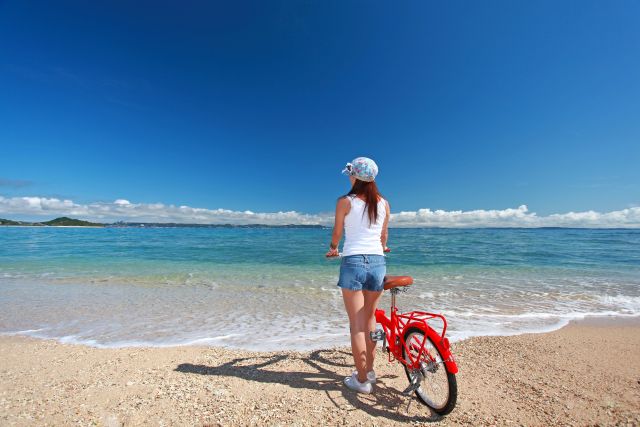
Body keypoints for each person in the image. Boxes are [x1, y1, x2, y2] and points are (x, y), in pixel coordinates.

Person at [326, 156, 390, 394]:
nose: (349, 177)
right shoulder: (384, 203)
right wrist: (382, 247)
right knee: (370, 320)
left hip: (353, 260)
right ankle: (370, 370)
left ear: (355, 176)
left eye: (350, 173)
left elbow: (337, 233)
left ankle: (362, 381)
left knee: (357, 325)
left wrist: (333, 248)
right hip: (377, 262)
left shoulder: (345, 201)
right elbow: (383, 237)